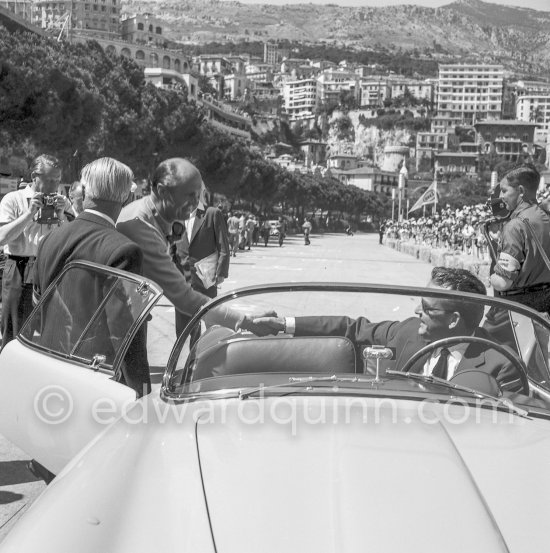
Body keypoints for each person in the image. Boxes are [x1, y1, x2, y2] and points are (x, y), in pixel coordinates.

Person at [251, 267, 519, 389]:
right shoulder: (407, 331)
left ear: (453, 320)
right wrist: (282, 325)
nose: (417, 312)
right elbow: (351, 329)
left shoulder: (501, 366)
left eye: (427, 308)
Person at [117, 158, 274, 337]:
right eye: (189, 195)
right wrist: (246, 322)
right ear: (162, 191)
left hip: (131, 314)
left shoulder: (157, 215)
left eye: (198, 195)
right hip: (116, 324)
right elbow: (182, 296)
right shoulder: (141, 224)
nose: (195, 202)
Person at [33, 156, 149, 396]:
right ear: (126, 197)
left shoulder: (48, 240)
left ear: (84, 191)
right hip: (94, 382)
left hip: (47, 370)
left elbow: (37, 302)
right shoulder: (125, 249)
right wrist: (142, 391)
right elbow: (125, 331)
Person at [0, 154, 71, 349]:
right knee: (16, 330)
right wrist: (29, 214)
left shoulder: (63, 202)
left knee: (55, 327)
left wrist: (61, 215)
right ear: (34, 176)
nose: (53, 185)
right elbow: (2, 237)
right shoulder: (13, 199)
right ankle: (10, 372)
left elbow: (72, 238)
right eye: (49, 180)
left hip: (51, 267)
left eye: (57, 180)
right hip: (19, 267)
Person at [489, 163, 550, 313]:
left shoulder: (514, 226)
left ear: (521, 191)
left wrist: (491, 277)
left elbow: (503, 283)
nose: (501, 197)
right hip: (546, 303)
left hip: (518, 308)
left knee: (475, 335)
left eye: (504, 191)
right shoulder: (545, 217)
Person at [174, 186, 230, 336]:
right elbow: (172, 248)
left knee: (211, 326)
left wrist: (221, 273)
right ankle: (189, 358)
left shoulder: (212, 213)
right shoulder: (176, 216)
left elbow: (223, 246)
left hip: (205, 280)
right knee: (183, 331)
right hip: (182, 282)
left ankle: (208, 356)